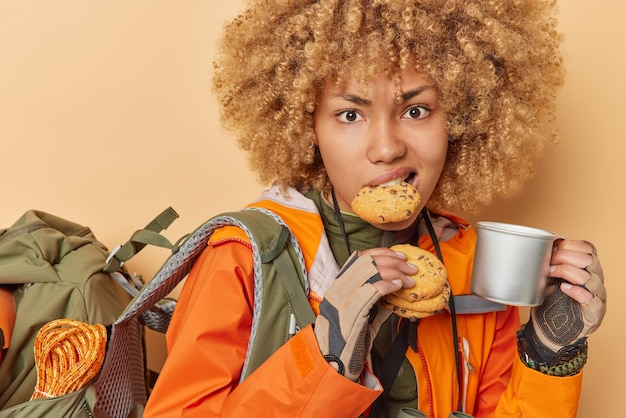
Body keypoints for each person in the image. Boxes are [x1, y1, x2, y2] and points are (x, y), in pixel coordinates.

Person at [144, 1, 607, 417]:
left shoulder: (474, 266)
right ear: (308, 124)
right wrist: (323, 357)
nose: (386, 149)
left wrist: (548, 355)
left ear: (463, 117)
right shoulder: (241, 256)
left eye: (416, 111)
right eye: (350, 114)